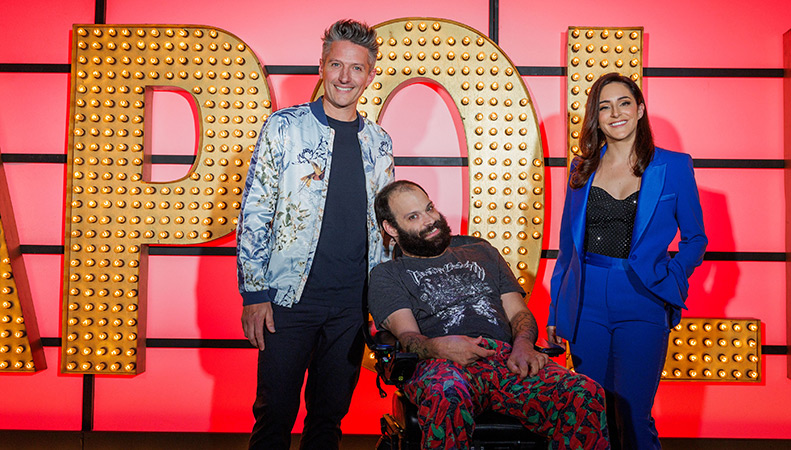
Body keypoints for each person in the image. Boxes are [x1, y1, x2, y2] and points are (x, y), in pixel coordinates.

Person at [236, 19, 393, 450]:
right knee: (275, 415)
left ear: (370, 74)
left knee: (328, 420)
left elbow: (386, 229)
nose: (346, 77)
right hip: (287, 302)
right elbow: (255, 211)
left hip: (351, 306)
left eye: (356, 68)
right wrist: (254, 294)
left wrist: (384, 301)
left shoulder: (380, 142)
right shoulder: (283, 128)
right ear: (321, 67)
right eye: (336, 65)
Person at [368, 180, 610, 450]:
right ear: (391, 228)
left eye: (429, 209)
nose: (430, 220)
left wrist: (523, 345)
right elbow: (408, 337)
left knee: (584, 393)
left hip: (505, 360)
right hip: (440, 364)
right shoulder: (387, 275)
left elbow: (519, 313)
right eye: (414, 217)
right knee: (447, 393)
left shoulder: (482, 252)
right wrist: (442, 347)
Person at [548, 73, 707, 449]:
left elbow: (696, 238)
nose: (614, 113)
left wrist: (673, 276)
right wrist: (557, 311)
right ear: (595, 117)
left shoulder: (673, 167)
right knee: (592, 411)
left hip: (642, 298)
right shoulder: (581, 168)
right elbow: (567, 248)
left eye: (623, 103)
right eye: (604, 106)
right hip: (586, 299)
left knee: (633, 413)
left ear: (639, 110)